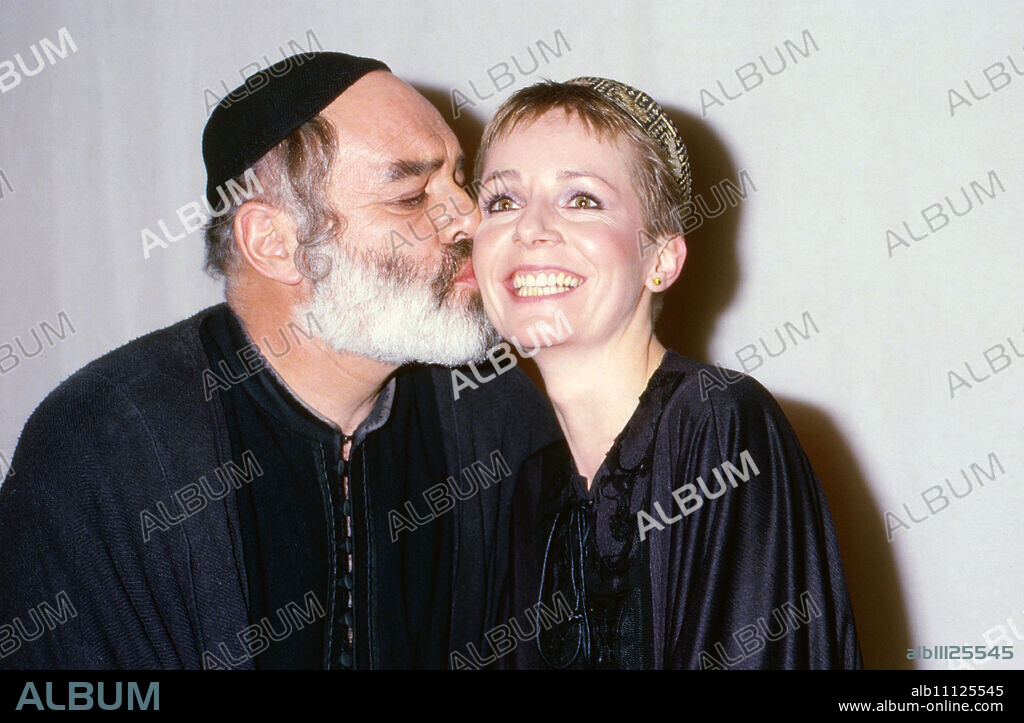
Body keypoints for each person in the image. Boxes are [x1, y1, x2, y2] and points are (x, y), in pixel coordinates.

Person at [0, 52, 560, 670]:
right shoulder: (103, 447)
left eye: (460, 181)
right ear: (274, 243)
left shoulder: (492, 413)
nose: (472, 220)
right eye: (409, 195)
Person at [471, 77, 862, 669]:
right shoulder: (522, 476)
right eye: (503, 201)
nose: (530, 228)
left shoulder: (721, 423)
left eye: (581, 199)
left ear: (661, 258)